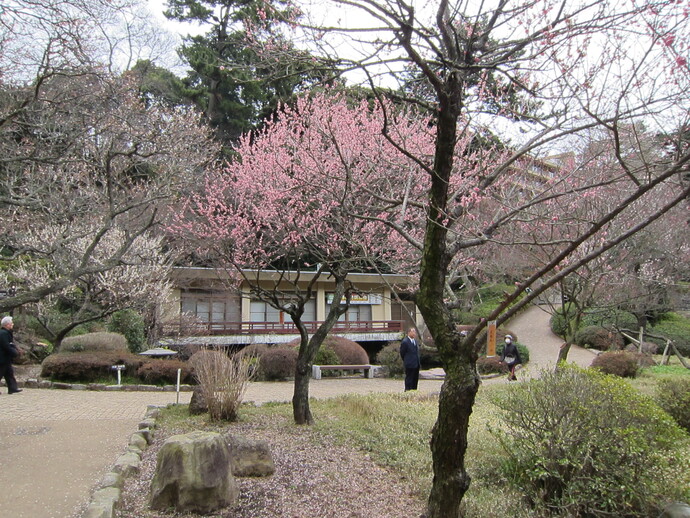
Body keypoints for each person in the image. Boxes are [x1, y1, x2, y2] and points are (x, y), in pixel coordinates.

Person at [0, 315, 21, 394]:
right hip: (2, 357)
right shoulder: (3, 333)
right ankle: (12, 388)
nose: (13, 324)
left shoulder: (7, 333)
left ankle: (12, 388)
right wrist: (14, 352)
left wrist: (16, 349)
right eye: (11, 323)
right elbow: (6, 345)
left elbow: (11, 344)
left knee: (9, 373)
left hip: (6, 358)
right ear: (7, 324)